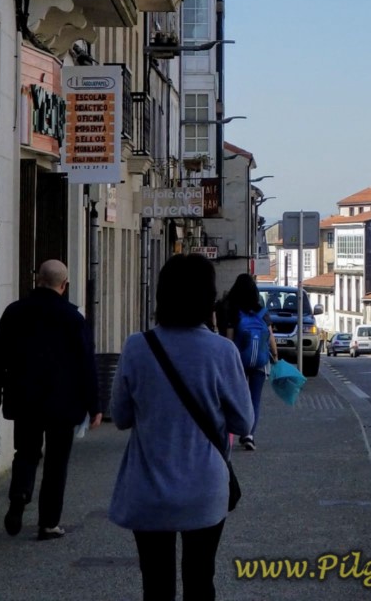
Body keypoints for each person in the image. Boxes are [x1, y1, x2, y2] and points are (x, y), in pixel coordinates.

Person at [110, 253, 253, 601]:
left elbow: (121, 416)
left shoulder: (136, 347)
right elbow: (243, 421)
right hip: (204, 486)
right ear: (209, 298)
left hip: (148, 487)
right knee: (200, 579)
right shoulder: (222, 351)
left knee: (156, 585)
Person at [0, 259, 100, 541]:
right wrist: (95, 405)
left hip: (25, 398)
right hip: (63, 401)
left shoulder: (15, 312)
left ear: (38, 280)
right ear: (65, 284)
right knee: (56, 462)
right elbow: (87, 364)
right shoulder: (73, 318)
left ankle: (19, 495)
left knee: (26, 452)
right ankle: (48, 523)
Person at [223, 273, 271, 450]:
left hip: (239, 361)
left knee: (237, 397)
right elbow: (270, 336)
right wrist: (276, 356)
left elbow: (229, 339)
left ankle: (234, 430)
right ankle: (249, 434)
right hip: (260, 361)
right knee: (255, 399)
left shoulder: (234, 311)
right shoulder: (262, 312)